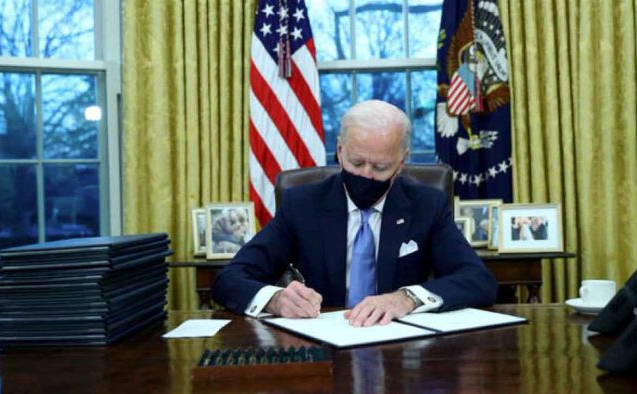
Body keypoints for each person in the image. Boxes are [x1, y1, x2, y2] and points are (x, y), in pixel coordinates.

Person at [211, 100, 497, 327]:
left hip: (401, 348)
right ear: (339, 150)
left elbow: (477, 280)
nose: (366, 175)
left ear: (402, 162)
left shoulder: (426, 205)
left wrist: (407, 298)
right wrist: (274, 300)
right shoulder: (302, 204)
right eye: (356, 162)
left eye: (381, 167)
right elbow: (230, 279)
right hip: (323, 347)